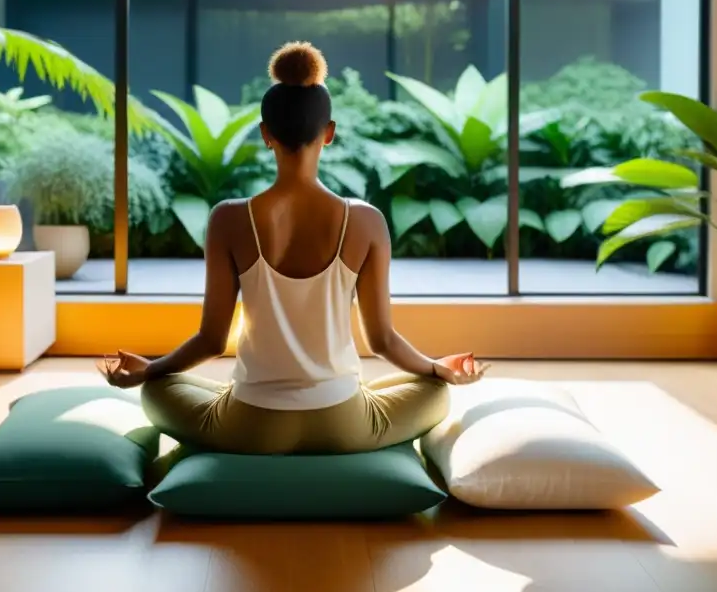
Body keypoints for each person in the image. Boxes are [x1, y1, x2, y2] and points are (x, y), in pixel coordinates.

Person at [98, 41, 487, 455]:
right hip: (343, 422)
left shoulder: (228, 219)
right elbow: (382, 341)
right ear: (330, 133)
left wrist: (151, 370)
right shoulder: (367, 221)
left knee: (157, 391)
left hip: (250, 424)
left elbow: (211, 341)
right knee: (433, 392)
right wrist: (436, 369)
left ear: (266, 135)